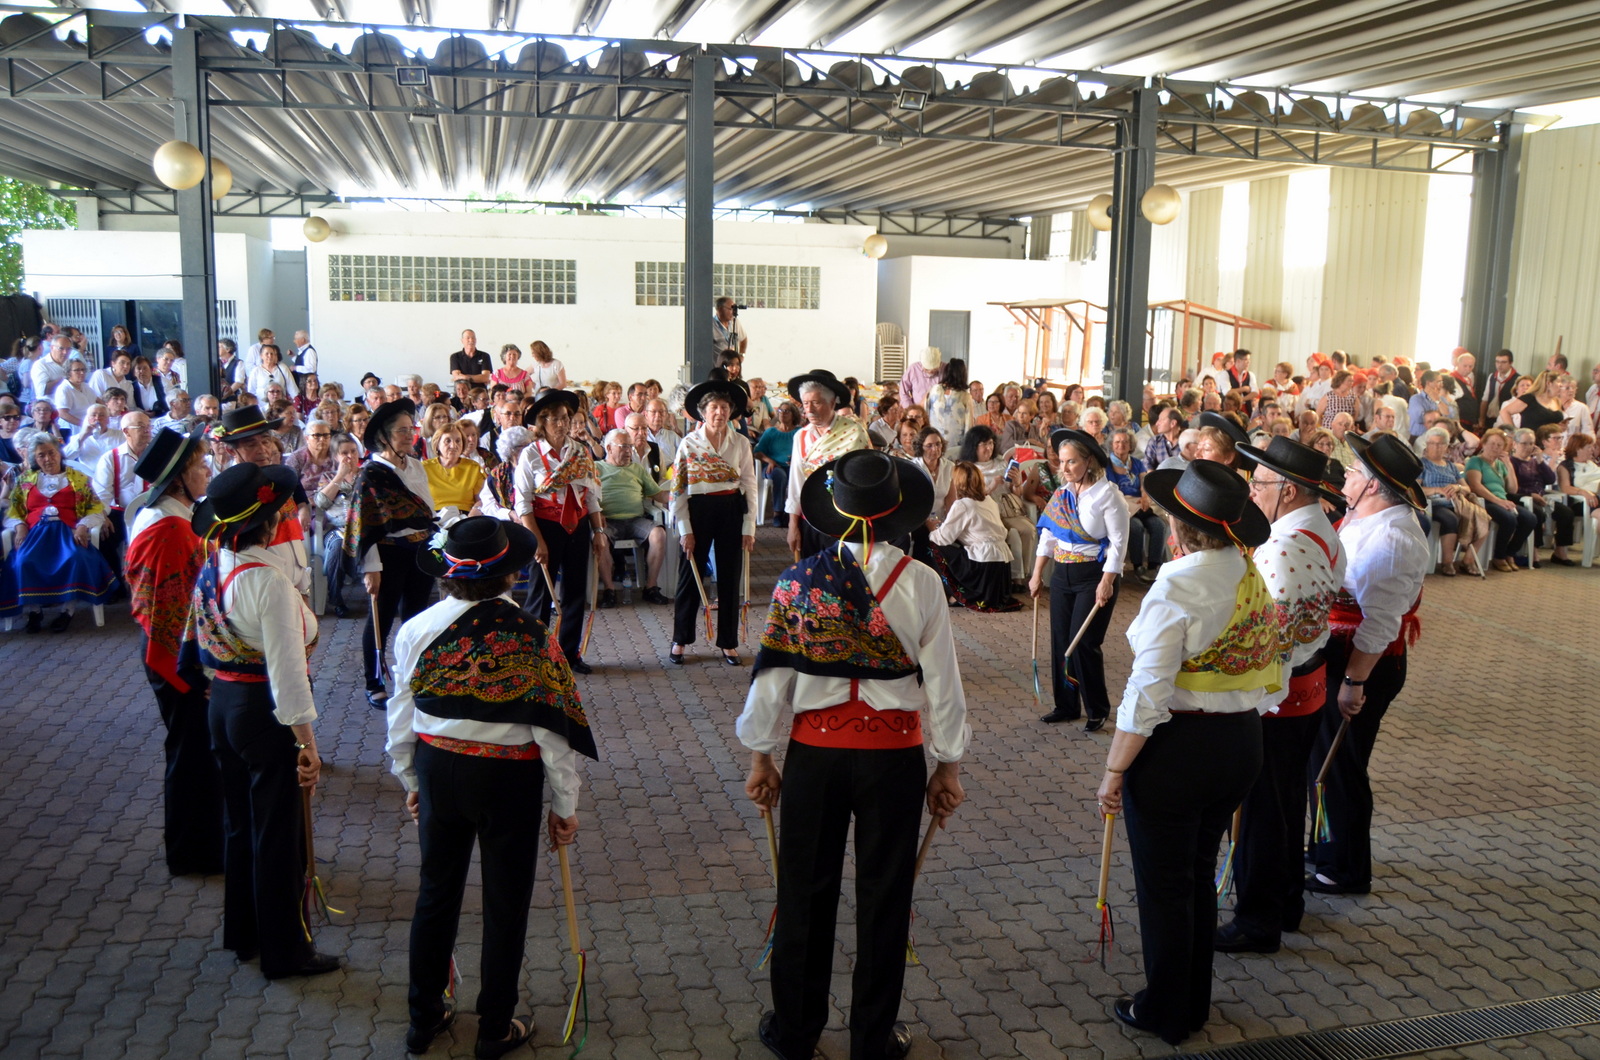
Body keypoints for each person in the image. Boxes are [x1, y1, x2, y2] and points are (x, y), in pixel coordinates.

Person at [739, 447, 967, 1060]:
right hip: (893, 760)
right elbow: (944, 685)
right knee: (886, 898)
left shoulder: (798, 582)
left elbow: (770, 680)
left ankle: (795, 1032)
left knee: (804, 894)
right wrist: (947, 765)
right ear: (897, 512)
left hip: (814, 758)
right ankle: (872, 1038)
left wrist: (761, 756)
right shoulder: (922, 583)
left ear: (835, 512)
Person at [383, 516, 597, 1059]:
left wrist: (410, 776)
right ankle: (494, 1026)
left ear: (447, 573)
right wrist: (565, 804)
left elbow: (400, 712)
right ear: (509, 575)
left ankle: (422, 1019)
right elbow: (553, 731)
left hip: (438, 767)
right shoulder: (532, 635)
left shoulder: (416, 629)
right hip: (507, 778)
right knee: (506, 902)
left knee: (436, 893)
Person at [1095, 460, 1278, 1046]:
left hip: (1180, 751)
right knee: (1196, 875)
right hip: (1241, 742)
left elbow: (1147, 691)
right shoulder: (1248, 570)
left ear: (1177, 528)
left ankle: (1168, 1010)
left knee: (1167, 886)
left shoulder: (1178, 584)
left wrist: (1115, 768)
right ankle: (1192, 1000)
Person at [189, 462, 339, 980]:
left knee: (241, 825)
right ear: (270, 524)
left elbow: (201, 639)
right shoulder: (269, 582)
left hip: (224, 703)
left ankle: (245, 934)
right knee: (278, 836)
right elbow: (288, 675)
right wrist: (307, 743)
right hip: (262, 711)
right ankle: (286, 953)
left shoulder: (216, 563)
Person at [1213, 437, 1347, 955]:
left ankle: (1258, 920)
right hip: (1306, 688)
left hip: (1279, 696)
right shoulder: (1321, 530)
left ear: (1288, 491)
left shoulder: (1283, 548)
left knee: (1263, 809)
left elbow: (1271, 639)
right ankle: (1287, 901)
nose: (1252, 491)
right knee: (1286, 800)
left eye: (1260, 483)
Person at [1307, 434, 1430, 896]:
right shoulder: (1364, 516)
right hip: (1340, 651)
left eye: (1354, 471)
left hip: (1364, 663)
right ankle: (1325, 846)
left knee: (1341, 764)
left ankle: (1346, 868)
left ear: (1374, 486)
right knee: (1323, 758)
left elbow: (1379, 624)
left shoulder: (1393, 538)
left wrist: (1353, 681)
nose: (1346, 475)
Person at [124, 427, 224, 876]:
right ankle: (193, 853)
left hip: (177, 652)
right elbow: (176, 612)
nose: (207, 471)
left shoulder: (172, 516)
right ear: (179, 478)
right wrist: (202, 672)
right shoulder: (169, 530)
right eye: (200, 465)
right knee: (191, 755)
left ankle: (201, 845)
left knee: (195, 752)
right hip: (178, 659)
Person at [1030, 428, 1129, 731]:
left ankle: (1097, 708)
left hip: (1094, 576)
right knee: (1061, 639)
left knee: (1084, 642)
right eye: (1061, 461)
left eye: (1071, 461)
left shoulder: (1108, 495)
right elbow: (1049, 535)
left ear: (1088, 461)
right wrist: (1037, 574)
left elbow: (1118, 543)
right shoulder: (1062, 494)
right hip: (1062, 573)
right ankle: (1066, 705)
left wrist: (1107, 581)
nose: (1065, 468)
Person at [346, 399, 439, 706]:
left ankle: (413, 676)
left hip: (420, 550)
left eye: (411, 429)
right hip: (387, 555)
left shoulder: (416, 466)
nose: (409, 435)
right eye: (401, 430)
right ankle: (374, 682)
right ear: (384, 437)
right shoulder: (371, 475)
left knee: (416, 617)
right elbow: (364, 525)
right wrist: (371, 567)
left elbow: (426, 511)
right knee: (381, 619)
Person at [515, 388, 605, 675]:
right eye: (555, 419)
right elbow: (522, 503)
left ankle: (569, 654)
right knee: (540, 595)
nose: (562, 424)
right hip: (545, 528)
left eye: (566, 417)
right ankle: (536, 657)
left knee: (576, 592)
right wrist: (537, 540)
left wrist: (598, 531)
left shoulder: (580, 452)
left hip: (577, 526)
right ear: (542, 422)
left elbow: (591, 495)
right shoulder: (530, 455)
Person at [670, 378, 759, 665]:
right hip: (698, 509)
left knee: (730, 577)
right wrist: (685, 529)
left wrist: (749, 526)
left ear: (731, 411)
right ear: (703, 412)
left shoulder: (740, 442)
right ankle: (680, 639)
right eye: (713, 408)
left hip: (731, 508)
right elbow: (678, 489)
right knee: (690, 574)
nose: (719, 412)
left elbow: (750, 484)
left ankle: (728, 643)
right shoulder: (689, 443)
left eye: (724, 407)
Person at [1, 435, 117, 633]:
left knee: (75, 558)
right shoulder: (25, 480)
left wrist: (83, 526)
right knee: (23, 562)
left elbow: (95, 509)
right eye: (41, 455)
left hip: (68, 535)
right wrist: (20, 526)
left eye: (51, 453)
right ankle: (34, 611)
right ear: (35, 458)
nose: (48, 459)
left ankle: (67, 611)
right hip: (35, 536)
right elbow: (13, 511)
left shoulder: (78, 479)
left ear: (59, 453)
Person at [785, 369, 872, 559]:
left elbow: (867, 478)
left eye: (816, 402)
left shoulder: (854, 432)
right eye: (805, 403)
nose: (809, 410)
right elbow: (796, 483)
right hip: (810, 520)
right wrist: (793, 525)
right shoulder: (801, 436)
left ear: (832, 403)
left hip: (846, 520)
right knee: (812, 572)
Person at [595, 428, 670, 608]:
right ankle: (609, 590)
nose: (629, 451)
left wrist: (679, 494)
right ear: (609, 448)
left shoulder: (637, 469)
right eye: (624, 446)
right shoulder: (596, 468)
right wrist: (597, 513)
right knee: (600, 539)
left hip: (636, 520)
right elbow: (586, 497)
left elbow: (658, 494)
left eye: (630, 446)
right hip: (608, 521)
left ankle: (651, 587)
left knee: (658, 534)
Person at [928, 460, 1017, 611]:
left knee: (932, 547)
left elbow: (943, 538)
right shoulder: (988, 500)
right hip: (1001, 564)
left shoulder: (962, 504)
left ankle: (956, 593)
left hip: (983, 564)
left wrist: (931, 529)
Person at [1416, 427, 1489, 576]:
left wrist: (1457, 487)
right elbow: (1416, 489)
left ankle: (1468, 560)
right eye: (1432, 443)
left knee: (1483, 517)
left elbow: (1467, 488)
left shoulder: (1451, 466)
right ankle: (1447, 562)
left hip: (1456, 502)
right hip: (1434, 504)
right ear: (1427, 445)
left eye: (1440, 444)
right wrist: (1437, 490)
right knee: (1450, 518)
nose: (1436, 447)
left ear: (1446, 447)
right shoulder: (1422, 465)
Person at [1465, 428, 1538, 572]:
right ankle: (1499, 556)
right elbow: (1475, 486)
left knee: (1530, 518)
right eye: (1492, 444)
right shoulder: (1475, 461)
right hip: (1484, 501)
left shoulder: (1500, 464)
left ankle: (1510, 553)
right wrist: (1498, 501)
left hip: (1502, 500)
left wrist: (1509, 465)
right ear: (1484, 444)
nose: (1495, 447)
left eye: (1499, 445)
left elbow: (1512, 490)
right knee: (1509, 519)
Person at [313, 434, 362, 617]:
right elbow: (321, 503)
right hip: (338, 528)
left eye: (353, 451)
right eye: (344, 453)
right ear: (335, 457)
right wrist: (340, 476)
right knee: (336, 547)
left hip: (365, 527)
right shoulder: (328, 477)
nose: (350, 456)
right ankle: (336, 599)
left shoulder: (366, 474)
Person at [1106, 427, 1163, 580]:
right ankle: (1138, 566)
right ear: (1112, 444)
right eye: (1117, 442)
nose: (1121, 445)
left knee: (1159, 525)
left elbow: (1144, 482)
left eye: (1125, 442)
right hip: (1122, 506)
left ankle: (1153, 566)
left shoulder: (1137, 463)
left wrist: (1144, 497)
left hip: (1140, 504)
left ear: (1131, 445)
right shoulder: (1107, 464)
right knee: (1135, 527)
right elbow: (1112, 489)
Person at [423, 422, 487, 519]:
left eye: (458, 441)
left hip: (465, 517)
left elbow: (482, 499)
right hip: (435, 518)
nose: (453, 445)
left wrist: (474, 512)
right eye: (447, 441)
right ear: (437, 444)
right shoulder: (424, 468)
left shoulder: (473, 467)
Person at [753, 402, 799, 529]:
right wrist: (770, 461)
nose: (782, 414)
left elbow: (806, 451)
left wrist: (796, 459)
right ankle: (778, 513)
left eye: (786, 411)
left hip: (794, 467)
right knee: (780, 474)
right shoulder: (771, 432)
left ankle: (794, 513)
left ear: (794, 414)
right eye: (780, 411)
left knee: (799, 475)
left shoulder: (799, 432)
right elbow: (757, 452)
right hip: (772, 468)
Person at [926, 358, 974, 451]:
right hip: (951, 443)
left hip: (936, 442)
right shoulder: (965, 396)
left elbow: (926, 414)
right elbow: (969, 426)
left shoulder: (934, 390)